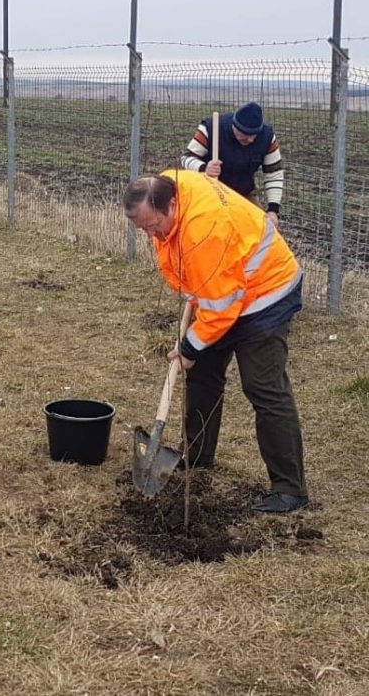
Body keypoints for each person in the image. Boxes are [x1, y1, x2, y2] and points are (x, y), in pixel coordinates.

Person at [123, 169, 307, 514]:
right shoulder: (166, 185)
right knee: (203, 374)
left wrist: (190, 347)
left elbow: (224, 306)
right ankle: (197, 458)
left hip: (265, 293)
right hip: (222, 288)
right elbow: (213, 292)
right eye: (143, 229)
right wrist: (196, 343)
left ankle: (289, 489)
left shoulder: (204, 230)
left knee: (263, 387)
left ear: (173, 205)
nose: (151, 234)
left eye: (154, 226)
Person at [180, 102, 283, 228]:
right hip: (210, 193)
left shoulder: (267, 137)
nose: (250, 140)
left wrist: (273, 210)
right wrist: (204, 168)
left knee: (264, 231)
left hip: (243, 193)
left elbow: (274, 174)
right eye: (245, 136)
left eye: (254, 136)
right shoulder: (211, 128)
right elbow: (186, 158)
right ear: (234, 127)